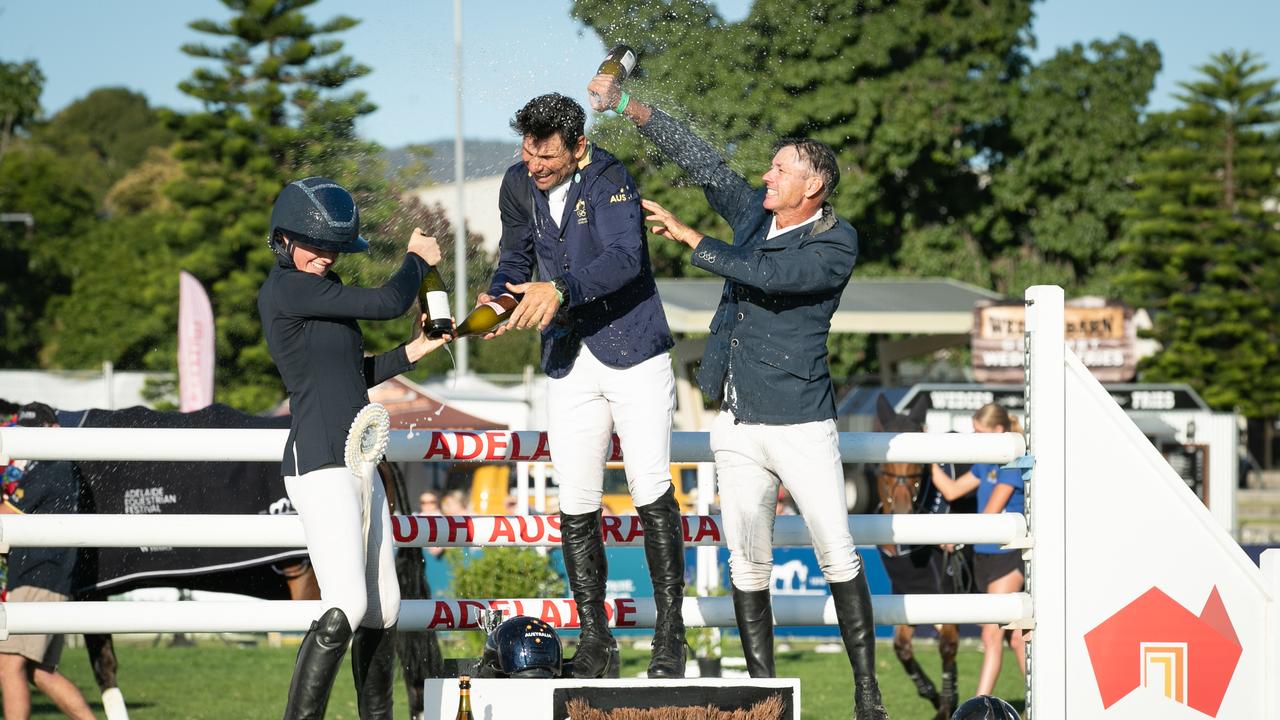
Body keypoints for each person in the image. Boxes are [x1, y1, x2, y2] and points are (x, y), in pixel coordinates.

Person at [588, 76, 888, 719]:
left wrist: (693, 238)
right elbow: (702, 159)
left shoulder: (837, 240)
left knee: (837, 551)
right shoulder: (756, 215)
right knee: (747, 562)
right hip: (737, 419)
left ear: (815, 185)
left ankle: (868, 695)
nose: (766, 175)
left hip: (802, 421)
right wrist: (631, 107)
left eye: (780, 169)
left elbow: (773, 276)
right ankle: (762, 697)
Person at [475, 92, 685, 679]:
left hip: (633, 350)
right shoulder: (517, 184)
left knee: (648, 487)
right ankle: (597, 640)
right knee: (575, 499)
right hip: (569, 355)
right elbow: (515, 257)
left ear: (579, 146)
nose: (535, 167)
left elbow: (625, 259)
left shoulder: (612, 175)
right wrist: (498, 298)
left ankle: (670, 637)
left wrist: (559, 289)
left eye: (547, 157)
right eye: (528, 152)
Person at [258, 176, 452, 720]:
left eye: (333, 249)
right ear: (284, 242)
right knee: (346, 604)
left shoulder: (320, 289)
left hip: (358, 460)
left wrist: (414, 350)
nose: (324, 258)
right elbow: (392, 300)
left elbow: (352, 373)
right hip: (319, 462)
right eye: (315, 246)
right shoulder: (287, 287)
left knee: (384, 609)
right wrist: (417, 258)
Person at [0, 402, 97, 720]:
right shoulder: (53, 465)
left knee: (8, 666)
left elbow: (9, 516)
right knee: (40, 673)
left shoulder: (51, 466)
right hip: (44, 576)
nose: (28, 440)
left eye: (34, 432)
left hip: (37, 576)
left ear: (52, 430)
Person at [929, 404, 1027, 697]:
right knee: (1016, 638)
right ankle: (1041, 703)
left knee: (991, 634)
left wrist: (957, 534)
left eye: (980, 432)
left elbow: (990, 513)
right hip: (984, 556)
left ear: (999, 431)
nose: (975, 437)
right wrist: (929, 459)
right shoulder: (985, 461)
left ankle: (976, 705)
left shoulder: (1016, 461)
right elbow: (952, 490)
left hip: (1007, 556)